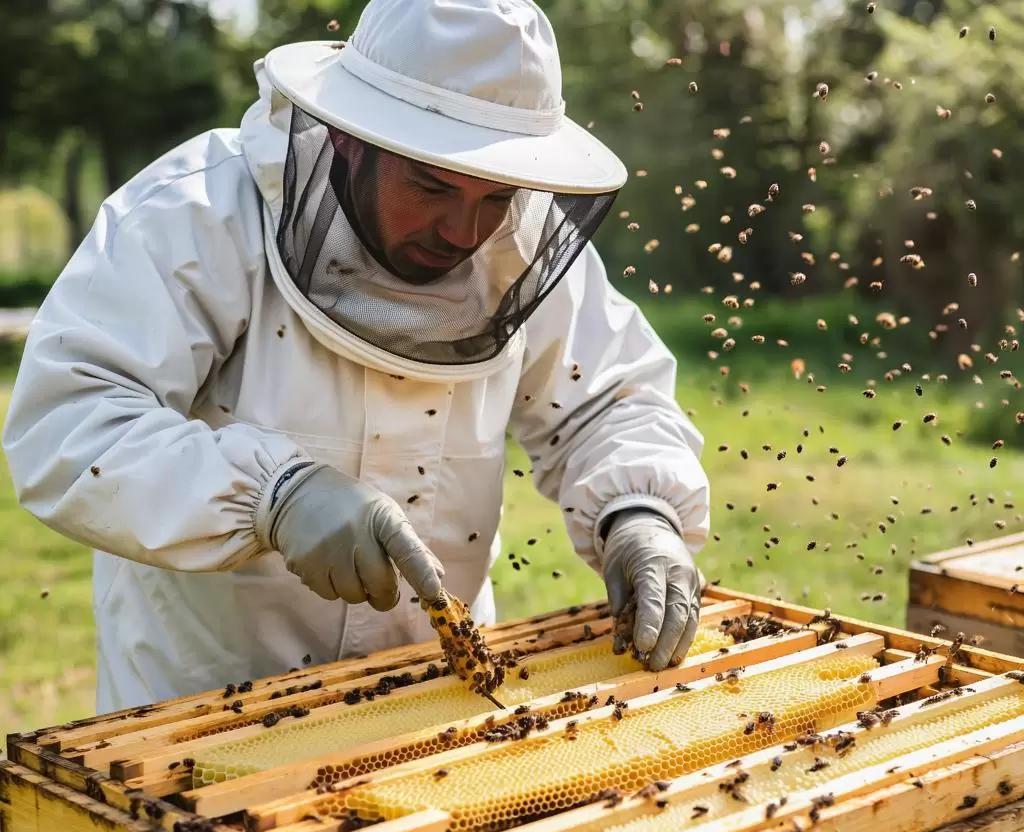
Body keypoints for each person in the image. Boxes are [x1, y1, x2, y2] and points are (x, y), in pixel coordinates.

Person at [2, 0, 710, 715]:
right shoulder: (194, 214)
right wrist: (269, 496)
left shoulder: (518, 246)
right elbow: (70, 421)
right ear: (347, 138)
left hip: (435, 708)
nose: (464, 228)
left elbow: (606, 401)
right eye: (432, 185)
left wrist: (641, 512)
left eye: (496, 194)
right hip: (204, 716)